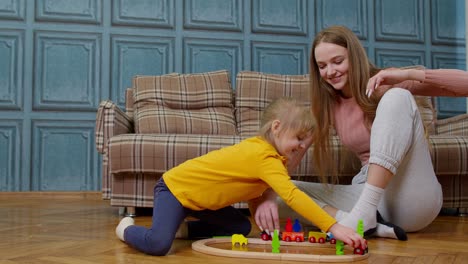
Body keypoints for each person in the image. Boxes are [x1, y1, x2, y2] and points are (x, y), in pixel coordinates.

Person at [252, 25, 468, 241]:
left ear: (354, 57)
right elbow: (293, 154)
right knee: (279, 191)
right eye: (322, 66)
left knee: (396, 97)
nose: (330, 71)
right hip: (372, 201)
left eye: (338, 61)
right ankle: (359, 223)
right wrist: (271, 189)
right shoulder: (327, 106)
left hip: (412, 197)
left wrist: (406, 74)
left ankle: (363, 214)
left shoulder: (384, 84)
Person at [115, 97, 367, 256]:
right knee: (159, 245)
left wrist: (260, 204)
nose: (302, 147)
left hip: (203, 203)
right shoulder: (263, 155)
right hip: (174, 190)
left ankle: (182, 229)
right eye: (299, 139)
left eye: (306, 144)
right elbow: (291, 195)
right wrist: (333, 227)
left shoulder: (271, 158)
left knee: (241, 227)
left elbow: (251, 187)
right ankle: (126, 229)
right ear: (276, 127)